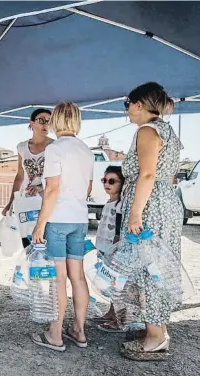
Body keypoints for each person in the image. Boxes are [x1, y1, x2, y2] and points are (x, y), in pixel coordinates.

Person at [117, 82, 182, 361]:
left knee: (149, 268)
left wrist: (135, 213)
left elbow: (147, 175)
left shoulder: (147, 130)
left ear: (139, 104)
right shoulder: (166, 129)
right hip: (164, 204)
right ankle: (156, 329)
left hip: (150, 207)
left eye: (128, 105)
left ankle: (155, 338)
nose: (127, 111)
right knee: (158, 265)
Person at [31, 102, 94, 351]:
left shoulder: (55, 149)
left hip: (57, 218)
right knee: (77, 277)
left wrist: (40, 224)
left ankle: (55, 334)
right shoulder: (86, 150)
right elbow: (87, 189)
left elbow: (52, 190)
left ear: (56, 120)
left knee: (59, 279)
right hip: (80, 218)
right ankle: (79, 330)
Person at [2, 108, 54, 248]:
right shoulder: (22, 147)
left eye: (49, 121)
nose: (45, 125)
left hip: (46, 202)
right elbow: (20, 176)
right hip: (25, 202)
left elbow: (59, 178)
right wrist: (10, 202)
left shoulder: (54, 147)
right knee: (27, 243)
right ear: (32, 124)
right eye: (41, 120)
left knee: (45, 243)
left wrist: (40, 188)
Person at [95, 166, 126, 332]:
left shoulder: (120, 204)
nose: (107, 184)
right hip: (104, 248)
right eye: (104, 180)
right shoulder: (109, 201)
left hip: (113, 250)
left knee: (115, 284)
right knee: (109, 282)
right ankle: (110, 312)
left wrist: (115, 248)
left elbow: (118, 230)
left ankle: (117, 318)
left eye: (112, 181)